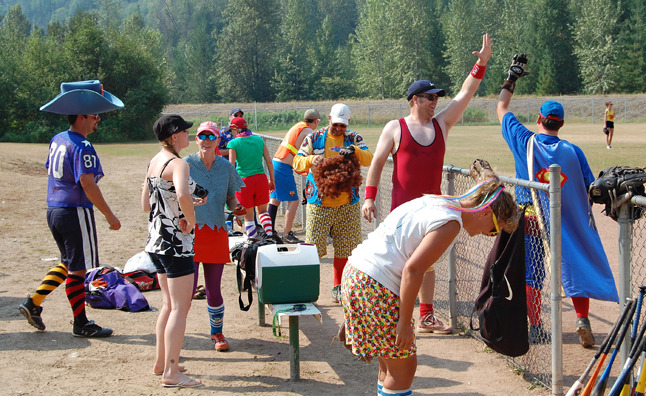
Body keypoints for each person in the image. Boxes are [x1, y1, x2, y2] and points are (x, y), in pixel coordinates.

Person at [361, 33, 492, 334]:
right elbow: (378, 162)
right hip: (400, 211)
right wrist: (369, 198)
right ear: (414, 100)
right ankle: (392, 313)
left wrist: (480, 65)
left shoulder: (441, 124)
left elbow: (465, 94)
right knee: (398, 262)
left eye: (436, 98)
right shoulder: (395, 127)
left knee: (428, 263)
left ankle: (426, 315)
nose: (435, 102)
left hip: (432, 211)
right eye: (430, 97)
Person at [342, 176, 519, 395]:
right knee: (403, 368)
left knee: (390, 364)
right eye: (494, 229)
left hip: (357, 273)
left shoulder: (440, 202)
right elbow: (413, 270)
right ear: (484, 212)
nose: (490, 235)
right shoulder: (451, 222)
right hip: (375, 284)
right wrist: (405, 323)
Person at [496, 53, 619, 348]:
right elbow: (591, 187)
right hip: (563, 222)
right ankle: (581, 318)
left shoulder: (524, 140)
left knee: (533, 271)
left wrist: (511, 79)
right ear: (560, 123)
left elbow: (501, 108)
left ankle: (536, 325)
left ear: (539, 120)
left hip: (531, 218)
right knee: (574, 264)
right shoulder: (573, 151)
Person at [18, 80, 123, 337]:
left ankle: (33, 303)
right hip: (75, 211)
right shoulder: (82, 145)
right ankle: (81, 323)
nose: (98, 119)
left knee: (68, 263)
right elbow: (88, 183)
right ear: (81, 117)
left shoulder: (58, 139)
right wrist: (109, 214)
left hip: (54, 209)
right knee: (78, 270)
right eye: (94, 115)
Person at [142, 114, 203, 388]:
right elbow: (181, 194)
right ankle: (172, 373)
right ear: (174, 135)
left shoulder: (154, 161)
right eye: (186, 132)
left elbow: (146, 204)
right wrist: (190, 220)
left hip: (156, 243)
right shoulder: (178, 164)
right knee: (181, 307)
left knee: (168, 305)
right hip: (176, 245)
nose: (189, 135)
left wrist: (179, 209)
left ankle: (161, 362)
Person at [293, 104, 373, 302]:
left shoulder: (354, 138)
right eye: (335, 124)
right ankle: (308, 289)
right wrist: (312, 159)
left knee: (346, 248)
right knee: (313, 249)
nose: (338, 128)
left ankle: (339, 288)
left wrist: (354, 150)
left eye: (343, 126)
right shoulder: (314, 137)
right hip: (318, 204)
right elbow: (297, 161)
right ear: (329, 118)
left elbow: (369, 158)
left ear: (348, 124)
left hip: (347, 204)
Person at [184, 121, 245, 352]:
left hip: (217, 231)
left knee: (214, 288)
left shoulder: (226, 167)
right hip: (189, 233)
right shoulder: (186, 164)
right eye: (202, 136)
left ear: (219, 140)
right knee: (186, 289)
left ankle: (217, 333)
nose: (207, 141)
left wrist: (237, 208)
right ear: (196, 139)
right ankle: (177, 333)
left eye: (212, 137)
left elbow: (231, 197)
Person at [267, 109, 321, 243]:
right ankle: (287, 234)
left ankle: (269, 232)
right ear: (316, 121)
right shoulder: (309, 131)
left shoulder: (298, 126)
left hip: (277, 163)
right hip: (283, 167)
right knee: (294, 201)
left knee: (275, 200)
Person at [226, 116, 278, 241]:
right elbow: (269, 162)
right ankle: (269, 236)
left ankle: (252, 240)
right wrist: (272, 180)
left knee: (249, 216)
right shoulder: (259, 140)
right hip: (261, 179)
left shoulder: (233, 143)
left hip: (244, 181)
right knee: (263, 211)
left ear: (235, 129)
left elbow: (231, 166)